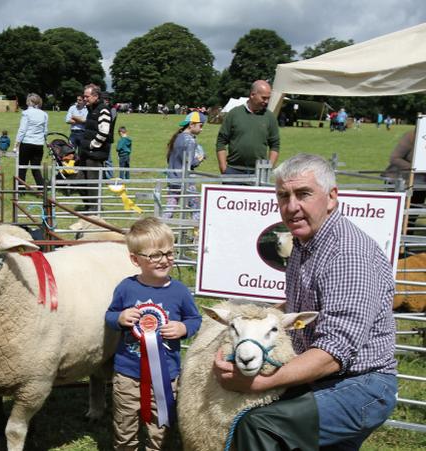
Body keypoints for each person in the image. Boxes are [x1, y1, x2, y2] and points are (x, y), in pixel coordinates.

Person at [214, 153, 398, 450]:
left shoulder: (347, 255)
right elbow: (300, 308)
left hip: (362, 386)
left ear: (331, 197)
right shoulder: (304, 243)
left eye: (303, 194)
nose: (291, 207)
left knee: (260, 425)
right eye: (283, 196)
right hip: (327, 379)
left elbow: (333, 352)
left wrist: (259, 383)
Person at [105, 217, 202, 451]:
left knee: (161, 426)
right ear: (135, 259)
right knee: (124, 425)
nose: (164, 260)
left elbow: (195, 319)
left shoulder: (179, 291)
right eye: (154, 255)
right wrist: (119, 318)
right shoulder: (126, 287)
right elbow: (109, 315)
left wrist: (183, 328)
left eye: (169, 253)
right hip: (127, 374)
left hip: (165, 375)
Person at [216, 80, 280, 175]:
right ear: (252, 95)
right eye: (263, 98)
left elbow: (275, 145)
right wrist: (223, 167)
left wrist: (268, 168)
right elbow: (221, 141)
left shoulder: (270, 117)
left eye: (268, 98)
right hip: (233, 170)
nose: (266, 101)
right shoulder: (234, 114)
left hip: (259, 172)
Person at [163, 111, 206, 221]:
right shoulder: (190, 141)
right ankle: (196, 235)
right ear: (192, 125)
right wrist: (201, 157)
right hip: (186, 181)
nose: (201, 129)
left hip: (173, 179)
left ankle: (158, 231)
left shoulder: (177, 137)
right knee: (195, 208)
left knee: (170, 208)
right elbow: (190, 162)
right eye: (200, 126)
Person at [78, 83, 112, 211]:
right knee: (80, 181)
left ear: (95, 96)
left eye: (87, 96)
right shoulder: (91, 110)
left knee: (92, 185)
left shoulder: (103, 110)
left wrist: (93, 145)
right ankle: (89, 208)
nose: (84, 98)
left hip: (95, 155)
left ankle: (93, 211)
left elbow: (104, 132)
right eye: (84, 96)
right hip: (86, 154)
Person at [383, 129, 424, 227]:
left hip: (421, 183)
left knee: (412, 215)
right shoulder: (412, 136)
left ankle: (408, 237)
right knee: (396, 214)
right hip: (400, 179)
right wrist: (416, 167)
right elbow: (394, 158)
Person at [14, 93, 48, 188]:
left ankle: (21, 189)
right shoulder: (44, 114)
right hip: (39, 144)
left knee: (22, 167)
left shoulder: (26, 113)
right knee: (36, 168)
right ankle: (42, 188)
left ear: (30, 102)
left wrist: (16, 143)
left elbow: (22, 130)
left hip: (27, 143)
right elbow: (45, 131)